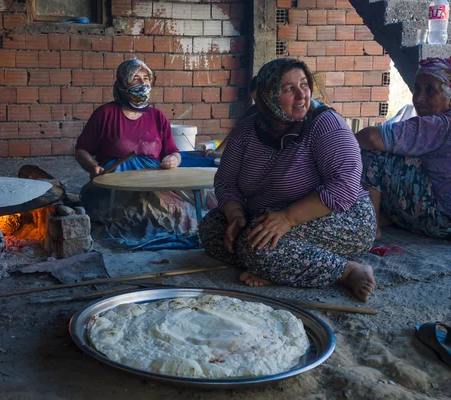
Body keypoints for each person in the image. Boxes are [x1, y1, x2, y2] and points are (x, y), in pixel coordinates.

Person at [198, 58, 376, 302]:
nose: (302, 95)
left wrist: (287, 218)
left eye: (304, 84)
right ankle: (282, 265)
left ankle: (347, 270)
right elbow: (226, 182)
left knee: (255, 246)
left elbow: (344, 185)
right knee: (211, 228)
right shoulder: (247, 130)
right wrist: (235, 216)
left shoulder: (324, 123)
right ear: (267, 96)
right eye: (289, 89)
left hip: (341, 217)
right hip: (271, 213)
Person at [75, 59, 207, 249]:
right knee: (125, 219)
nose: (142, 83)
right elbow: (81, 150)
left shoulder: (157, 116)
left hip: (152, 182)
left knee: (177, 216)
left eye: (146, 78)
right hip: (116, 184)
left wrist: (173, 160)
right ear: (123, 83)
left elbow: (173, 151)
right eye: (135, 78)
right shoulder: (105, 114)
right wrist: (92, 166)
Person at [356, 56, 451, 240]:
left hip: (443, 219)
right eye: (417, 89)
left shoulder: (441, 124)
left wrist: (337, 143)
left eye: (430, 90)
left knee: (372, 154)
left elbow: (372, 138)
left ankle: (369, 228)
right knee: (406, 159)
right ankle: (386, 217)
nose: (419, 98)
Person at [201, 76, 259, 158]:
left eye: (262, 100)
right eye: (256, 101)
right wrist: (217, 151)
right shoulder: (254, 111)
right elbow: (237, 132)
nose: (260, 105)